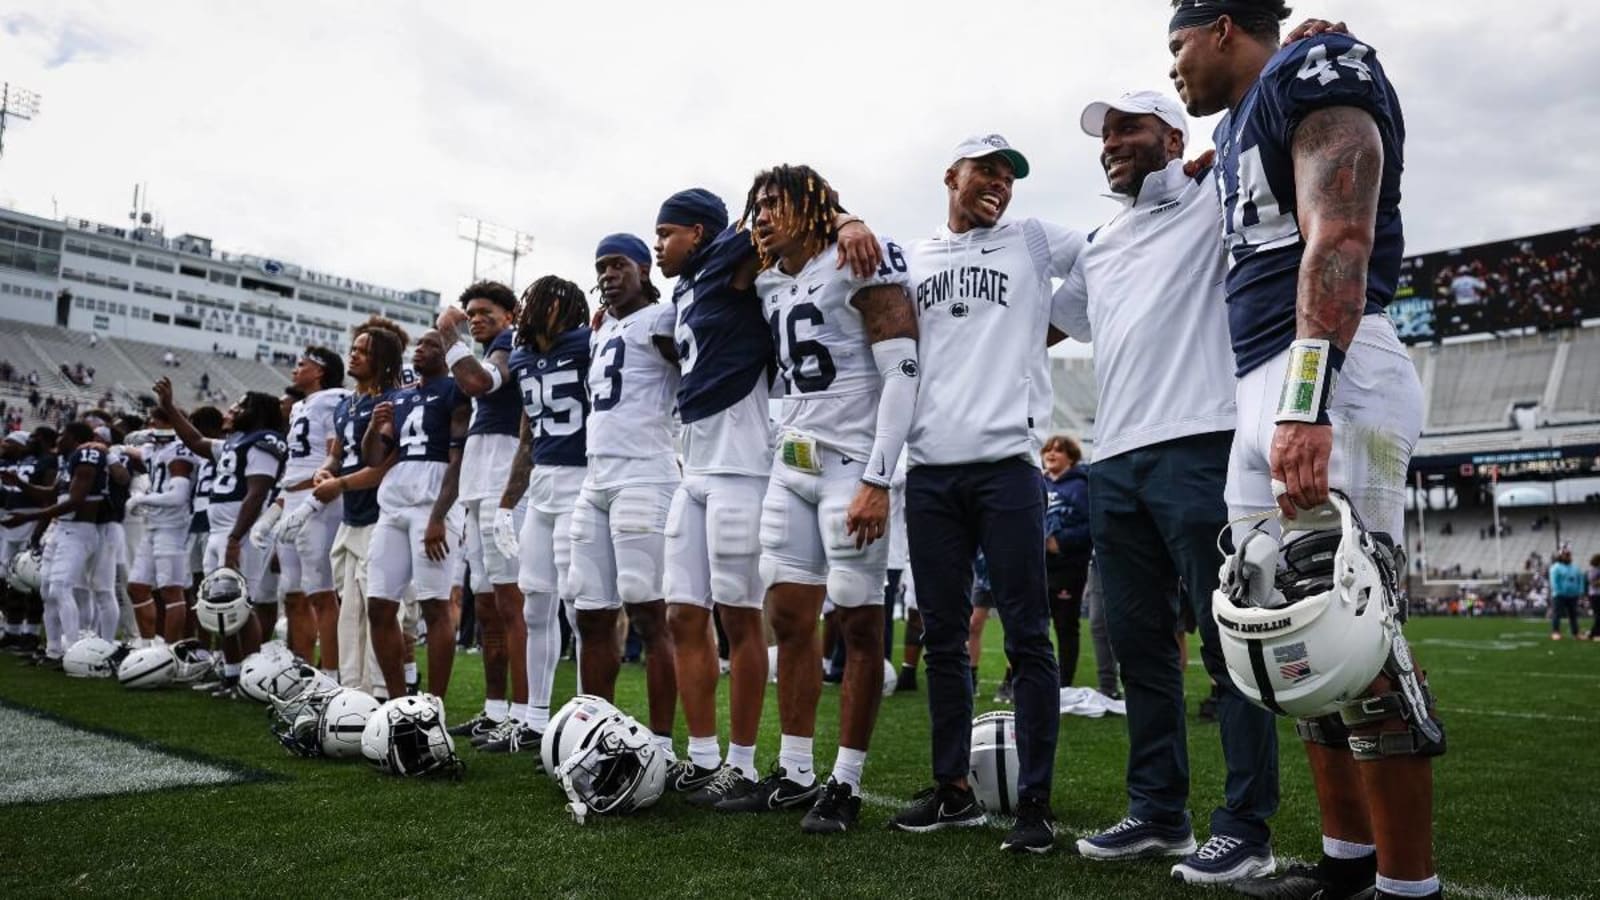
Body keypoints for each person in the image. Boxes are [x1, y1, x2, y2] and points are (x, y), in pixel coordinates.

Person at [1167, 3, 1444, 897]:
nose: (1174, 68)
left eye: (1178, 45)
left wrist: (1305, 403)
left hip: (1327, 377)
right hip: (1269, 382)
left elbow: (1342, 232)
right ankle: (1345, 869)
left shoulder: (1314, 72)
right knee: (1296, 644)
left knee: (1361, 642)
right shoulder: (1252, 109)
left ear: (1217, 28)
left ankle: (1408, 888)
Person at [1050, 88, 1279, 883]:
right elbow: (1056, 320)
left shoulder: (1213, 196)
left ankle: (1246, 827)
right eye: (1104, 134)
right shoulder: (1098, 240)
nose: (1112, 142)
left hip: (1199, 441)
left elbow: (1261, 136)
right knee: (1142, 648)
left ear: (1170, 135)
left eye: (1127, 128)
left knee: (1229, 646)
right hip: (1113, 457)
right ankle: (1159, 813)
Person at [653, 187, 881, 806]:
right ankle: (702, 756)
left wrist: (847, 218)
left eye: (667, 232)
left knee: (739, 616)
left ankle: (746, 761)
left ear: (701, 232)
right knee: (680, 613)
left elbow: (792, 217)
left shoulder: (737, 254)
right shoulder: (687, 287)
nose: (657, 245)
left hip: (744, 463)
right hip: (693, 466)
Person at [888, 134, 1083, 854]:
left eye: (1009, 177)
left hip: (1007, 464)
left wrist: (1044, 329)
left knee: (1028, 635)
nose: (1000, 185)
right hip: (932, 468)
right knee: (943, 637)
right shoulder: (911, 257)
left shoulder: (1031, 240)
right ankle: (953, 790)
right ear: (952, 176)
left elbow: (1104, 257)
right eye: (987, 172)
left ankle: (1034, 800)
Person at [734, 165, 919, 831]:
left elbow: (902, 370)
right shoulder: (768, 276)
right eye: (756, 206)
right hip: (791, 465)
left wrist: (878, 477)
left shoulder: (860, 255)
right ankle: (793, 771)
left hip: (850, 466)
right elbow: (718, 252)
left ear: (813, 207)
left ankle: (846, 781)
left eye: (774, 203)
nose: (760, 216)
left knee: (861, 623)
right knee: (788, 618)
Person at [563, 238, 683, 765]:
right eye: (600, 268)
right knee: (589, 612)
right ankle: (599, 732)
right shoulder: (605, 328)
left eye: (617, 265)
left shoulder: (663, 317)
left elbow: (692, 365)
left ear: (643, 267)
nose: (608, 275)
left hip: (645, 475)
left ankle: (660, 743)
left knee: (648, 612)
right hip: (597, 479)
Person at [492, 274, 598, 753]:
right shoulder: (520, 355)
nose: (536, 306)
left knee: (579, 608)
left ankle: (585, 720)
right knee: (535, 603)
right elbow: (528, 437)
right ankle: (535, 719)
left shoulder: (587, 343)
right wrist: (505, 503)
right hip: (543, 486)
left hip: (584, 479)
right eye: (532, 297)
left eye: (547, 300)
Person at [281, 318, 406, 697]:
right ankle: (351, 691)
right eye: (353, 349)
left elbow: (388, 466)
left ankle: (383, 692)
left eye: (364, 351)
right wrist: (325, 470)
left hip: (382, 515)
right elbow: (337, 455)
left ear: (383, 359)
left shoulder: (396, 400)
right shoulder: (348, 404)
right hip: (352, 517)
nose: (354, 355)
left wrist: (340, 483)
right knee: (349, 611)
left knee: (380, 611)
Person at [435, 282, 528, 743]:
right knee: (488, 607)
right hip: (479, 485)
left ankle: (528, 716)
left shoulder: (511, 344)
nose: (474, 317)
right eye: (469, 312)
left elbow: (481, 383)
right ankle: (496, 710)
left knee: (512, 605)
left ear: (510, 314)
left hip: (501, 481)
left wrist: (447, 334)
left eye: (485, 310)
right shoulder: (490, 348)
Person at [155, 381, 286, 694]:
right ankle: (231, 674)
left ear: (255, 413)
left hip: (241, 534)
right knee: (218, 604)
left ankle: (252, 678)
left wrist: (236, 538)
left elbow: (257, 493)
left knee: (243, 604)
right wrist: (171, 407)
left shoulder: (263, 441)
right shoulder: (235, 442)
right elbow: (196, 440)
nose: (232, 410)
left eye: (239, 406)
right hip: (219, 532)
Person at [360, 329, 468, 701]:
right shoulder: (399, 396)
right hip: (394, 504)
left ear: (448, 353)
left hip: (432, 502)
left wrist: (439, 516)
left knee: (435, 605)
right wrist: (375, 427)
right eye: (419, 344)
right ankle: (395, 701)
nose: (420, 349)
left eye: (431, 344)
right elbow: (374, 458)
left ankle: (433, 704)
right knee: (378, 604)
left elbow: (458, 462)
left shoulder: (456, 390)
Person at [265, 347, 349, 679]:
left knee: (322, 592)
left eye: (304, 364)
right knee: (293, 591)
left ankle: (331, 674)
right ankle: (298, 667)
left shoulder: (332, 399)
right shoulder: (300, 405)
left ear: (321, 371)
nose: (296, 369)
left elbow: (335, 452)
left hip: (317, 498)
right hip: (292, 496)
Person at [1, 421, 106, 668]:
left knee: (60, 588)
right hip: (61, 530)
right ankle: (53, 651)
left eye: (63, 435)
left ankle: (73, 652)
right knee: (47, 591)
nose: (58, 439)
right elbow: (52, 494)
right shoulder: (70, 459)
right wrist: (20, 483)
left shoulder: (86, 455)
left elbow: (76, 501)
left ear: (73, 437)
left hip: (79, 531)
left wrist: (28, 517)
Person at [124, 414, 198, 645]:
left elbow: (178, 496)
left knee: (171, 591)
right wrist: (110, 449)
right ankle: (148, 645)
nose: (151, 427)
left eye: (156, 422)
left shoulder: (179, 451)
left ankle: (170, 650)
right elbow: (132, 450)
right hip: (154, 527)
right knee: (136, 586)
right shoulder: (156, 449)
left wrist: (142, 499)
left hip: (173, 528)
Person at [1040, 435, 1092, 688]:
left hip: (1068, 566)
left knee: (1065, 625)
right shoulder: (1039, 483)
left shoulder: (1081, 487)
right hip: (1038, 566)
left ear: (1071, 457)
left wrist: (1060, 542)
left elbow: (1092, 526)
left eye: (1058, 451)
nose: (1051, 454)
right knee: (1034, 623)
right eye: (1048, 450)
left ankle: (1064, 684)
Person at [1548, 548, 1584, 640]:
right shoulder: (1556, 567)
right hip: (1559, 595)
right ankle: (1555, 632)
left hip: (1573, 595)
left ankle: (1575, 633)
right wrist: (1558, 591)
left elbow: (1580, 579)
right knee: (1557, 614)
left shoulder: (1575, 568)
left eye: (1569, 555)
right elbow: (1554, 581)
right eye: (1566, 555)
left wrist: (1580, 590)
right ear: (1561, 556)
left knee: (1573, 615)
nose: (1568, 557)